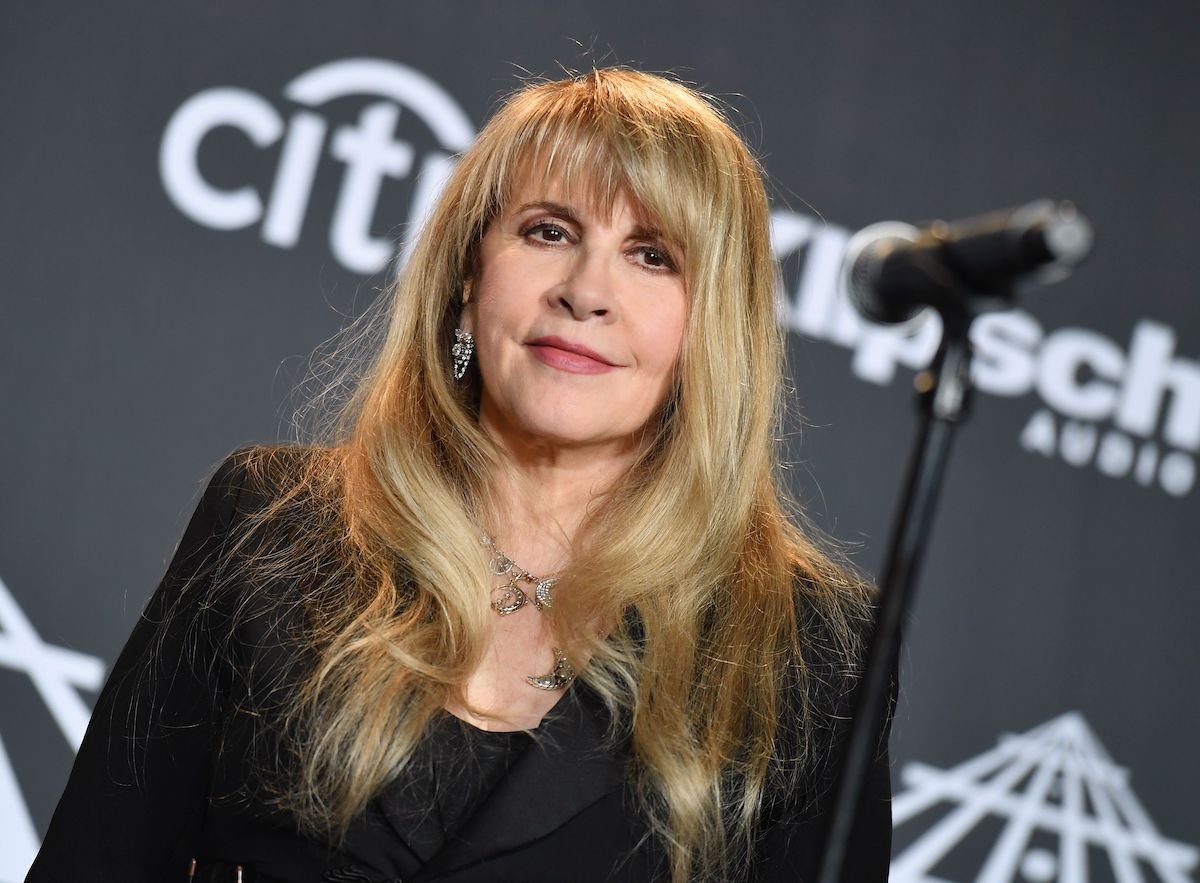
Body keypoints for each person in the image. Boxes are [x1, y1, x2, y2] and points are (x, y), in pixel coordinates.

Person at [27, 68, 895, 883]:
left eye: (653, 254)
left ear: (713, 326)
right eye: (549, 231)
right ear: (468, 275)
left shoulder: (811, 652)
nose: (586, 291)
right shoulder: (270, 524)